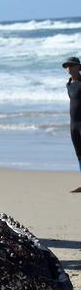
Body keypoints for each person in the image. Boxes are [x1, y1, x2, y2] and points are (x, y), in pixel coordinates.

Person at [63, 56, 81, 192]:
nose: (68, 67)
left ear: (78, 67)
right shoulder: (68, 84)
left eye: (71, 65)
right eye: (66, 66)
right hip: (73, 125)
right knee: (79, 154)